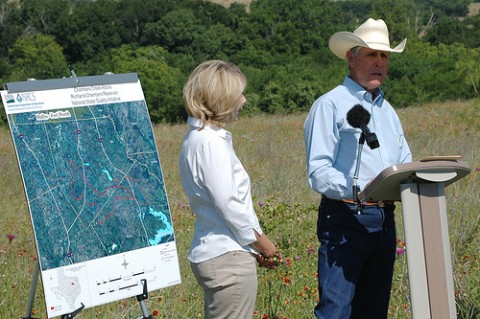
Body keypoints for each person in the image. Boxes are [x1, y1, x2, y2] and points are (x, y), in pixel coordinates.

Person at [303, 18, 412, 319]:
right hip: (345, 217)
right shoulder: (330, 105)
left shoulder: (388, 112)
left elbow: (404, 162)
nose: (379, 62)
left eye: (384, 56)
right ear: (351, 57)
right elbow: (318, 169)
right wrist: (357, 190)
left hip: (385, 221)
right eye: (371, 54)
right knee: (336, 313)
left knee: (374, 312)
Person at [179, 60, 281, 319]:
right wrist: (263, 244)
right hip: (228, 257)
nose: (243, 101)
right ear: (220, 99)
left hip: (218, 250)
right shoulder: (209, 143)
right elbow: (229, 204)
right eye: (238, 95)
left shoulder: (195, 138)